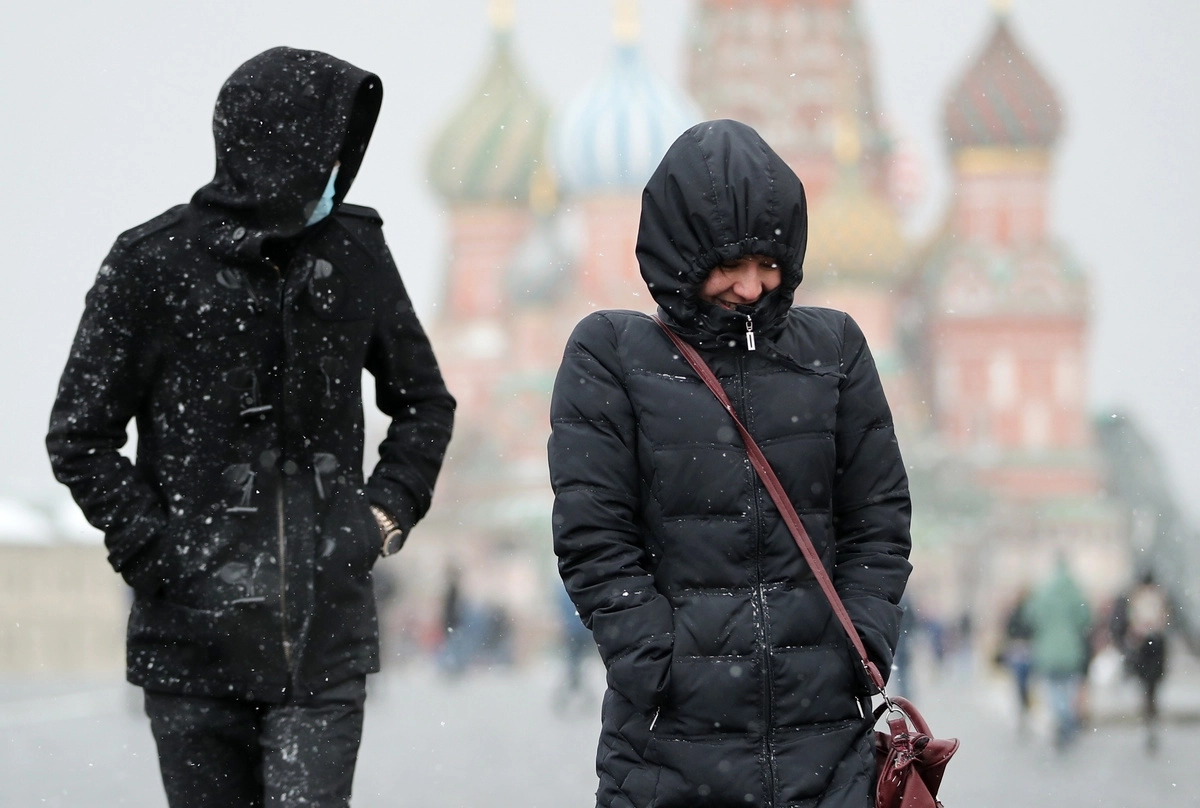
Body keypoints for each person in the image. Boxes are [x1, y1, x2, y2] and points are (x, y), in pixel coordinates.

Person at [46, 47, 455, 807]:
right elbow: (79, 434)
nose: (338, 166)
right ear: (277, 151)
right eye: (325, 148)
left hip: (322, 644)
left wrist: (380, 518)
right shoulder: (151, 266)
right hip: (192, 649)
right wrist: (158, 553)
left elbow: (424, 401)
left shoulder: (357, 253)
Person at [548, 120, 912, 808]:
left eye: (769, 263)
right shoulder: (612, 357)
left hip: (826, 743)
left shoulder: (833, 350)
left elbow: (878, 519)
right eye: (730, 265)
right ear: (680, 251)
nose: (752, 287)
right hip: (669, 748)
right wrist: (655, 662)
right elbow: (594, 535)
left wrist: (857, 641)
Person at [1024, 557, 1092, 751]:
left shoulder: (1044, 591)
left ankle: (1062, 719)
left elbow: (1031, 616)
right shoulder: (1074, 590)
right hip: (1071, 650)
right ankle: (1067, 721)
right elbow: (1086, 618)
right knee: (1068, 687)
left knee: (1054, 688)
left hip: (1047, 650)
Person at [1110, 570, 1173, 752]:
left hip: (1144, 646)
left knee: (1146, 687)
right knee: (1153, 688)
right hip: (1156, 646)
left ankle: (1148, 716)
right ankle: (1152, 715)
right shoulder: (1160, 597)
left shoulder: (1136, 597)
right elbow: (1165, 619)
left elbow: (1130, 622)